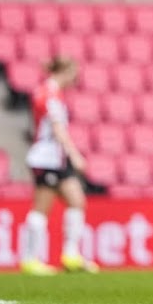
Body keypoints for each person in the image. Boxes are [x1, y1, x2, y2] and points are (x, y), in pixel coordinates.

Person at [20, 56, 98, 276]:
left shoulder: (51, 94)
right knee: (41, 208)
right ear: (65, 71)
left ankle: (71, 255)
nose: (76, 79)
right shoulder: (49, 95)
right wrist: (75, 155)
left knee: (77, 201)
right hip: (46, 159)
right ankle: (30, 259)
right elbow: (57, 129)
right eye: (74, 74)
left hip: (56, 159)